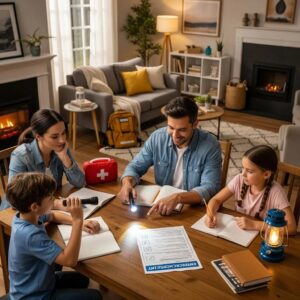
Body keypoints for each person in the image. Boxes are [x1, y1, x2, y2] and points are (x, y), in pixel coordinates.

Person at [118, 96, 222, 216]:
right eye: (171, 128)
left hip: (192, 210)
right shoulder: (157, 138)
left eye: (182, 129)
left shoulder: (210, 145)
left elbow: (210, 187)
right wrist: (127, 183)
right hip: (160, 208)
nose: (175, 135)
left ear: (195, 124)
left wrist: (178, 197)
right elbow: (135, 166)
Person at [6, 172, 102, 300]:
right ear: (35, 206)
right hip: (34, 296)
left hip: (39, 283)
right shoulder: (31, 235)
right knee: (95, 296)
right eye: (50, 198)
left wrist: (82, 222)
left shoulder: (25, 216)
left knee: (82, 279)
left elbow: (52, 215)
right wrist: (77, 220)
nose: (55, 199)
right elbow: (69, 260)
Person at [0, 109, 85, 210]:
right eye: (55, 137)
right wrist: (55, 204)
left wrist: (64, 158)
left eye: (63, 133)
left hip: (44, 209)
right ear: (39, 137)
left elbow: (79, 182)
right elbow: (14, 200)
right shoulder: (21, 156)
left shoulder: (61, 148)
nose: (62, 140)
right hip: (17, 213)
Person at [205, 145, 297, 234]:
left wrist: (254, 224)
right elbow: (216, 199)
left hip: (259, 238)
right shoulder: (239, 180)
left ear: (266, 174)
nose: (243, 174)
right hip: (238, 233)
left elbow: (291, 227)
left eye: (249, 171)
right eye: (243, 168)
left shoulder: (276, 192)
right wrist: (210, 214)